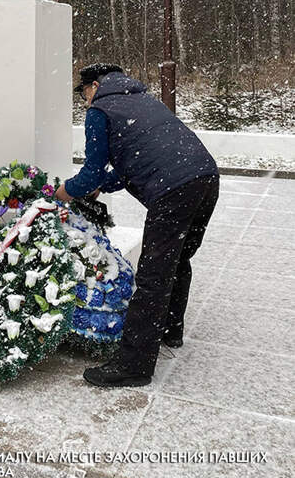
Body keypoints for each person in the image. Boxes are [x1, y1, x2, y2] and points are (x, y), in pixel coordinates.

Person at [56, 63, 220, 388]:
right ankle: (170, 330)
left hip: (173, 188)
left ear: (93, 85)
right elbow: (137, 162)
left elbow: (90, 172)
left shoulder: (101, 110)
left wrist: (66, 191)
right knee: (178, 257)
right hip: (205, 177)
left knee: (153, 277)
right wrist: (103, 184)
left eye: (84, 95)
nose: (85, 102)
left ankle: (134, 366)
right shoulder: (143, 99)